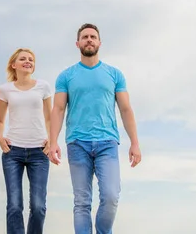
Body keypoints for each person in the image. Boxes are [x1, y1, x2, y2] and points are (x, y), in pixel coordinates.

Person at [48, 23, 142, 234]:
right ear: (77, 43)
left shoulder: (114, 74)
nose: (89, 40)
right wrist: (53, 141)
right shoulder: (66, 76)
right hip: (77, 143)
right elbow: (58, 109)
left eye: (92, 37)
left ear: (99, 42)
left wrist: (135, 143)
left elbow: (126, 109)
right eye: (84, 37)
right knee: (82, 202)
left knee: (111, 196)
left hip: (107, 143)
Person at [0, 48, 52, 234]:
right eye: (23, 59)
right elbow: (0, 121)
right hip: (13, 152)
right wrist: (0, 138)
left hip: (39, 152)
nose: (28, 61)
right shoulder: (5, 90)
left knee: (38, 206)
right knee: (14, 206)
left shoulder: (43, 87)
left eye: (31, 59)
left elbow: (49, 118)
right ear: (14, 65)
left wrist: (52, 140)